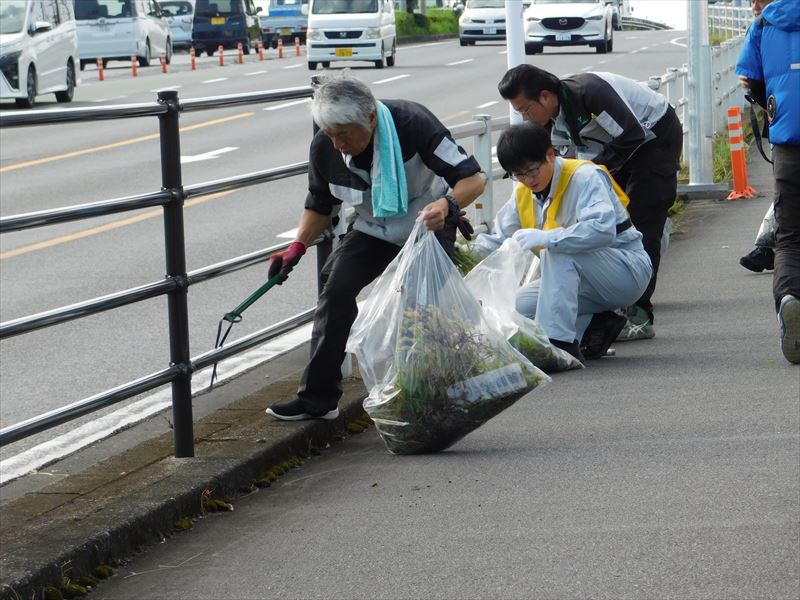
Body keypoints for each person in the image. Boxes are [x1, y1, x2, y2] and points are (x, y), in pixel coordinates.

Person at [265, 73, 485, 420]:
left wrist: (448, 206)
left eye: (344, 134)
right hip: (374, 227)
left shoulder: (413, 123)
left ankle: (429, 393)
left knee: (417, 304)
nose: (337, 143)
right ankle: (317, 399)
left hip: (430, 221)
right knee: (336, 289)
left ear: (370, 118)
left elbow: (473, 179)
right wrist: (296, 247)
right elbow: (321, 205)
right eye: (330, 133)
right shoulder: (325, 147)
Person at [496, 64, 682, 344]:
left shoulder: (590, 93)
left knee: (644, 214)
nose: (524, 117)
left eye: (524, 110)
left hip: (653, 138)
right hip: (614, 149)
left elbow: (631, 135)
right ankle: (601, 316)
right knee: (591, 220)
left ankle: (640, 313)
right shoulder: (548, 120)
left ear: (545, 97)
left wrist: (587, 172)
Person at [473, 122, 652, 362]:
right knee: (515, 307)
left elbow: (602, 230)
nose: (527, 180)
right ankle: (595, 325)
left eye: (531, 170)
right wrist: (455, 256)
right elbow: (498, 239)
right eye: (518, 174)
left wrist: (549, 238)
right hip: (581, 283)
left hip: (626, 272)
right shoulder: (524, 192)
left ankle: (558, 345)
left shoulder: (584, 176)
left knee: (557, 248)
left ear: (550, 155)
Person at [736, 0, 800, 364]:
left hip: (790, 144)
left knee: (790, 237)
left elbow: (750, 80)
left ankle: (790, 299)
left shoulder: (763, 24)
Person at [739, 0, 777, 274]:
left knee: (788, 190)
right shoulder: (761, 27)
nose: (754, 6)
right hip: (781, 120)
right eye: (752, 1)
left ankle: (766, 247)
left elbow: (750, 77)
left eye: (760, 1)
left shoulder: (762, 28)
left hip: (782, 118)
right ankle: (766, 247)